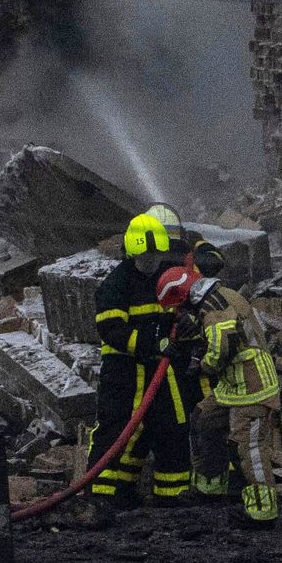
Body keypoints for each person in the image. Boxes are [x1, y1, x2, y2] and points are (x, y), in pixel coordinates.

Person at [88, 207, 196, 525]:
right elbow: (112, 331)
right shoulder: (115, 285)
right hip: (123, 373)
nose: (152, 261)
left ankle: (171, 495)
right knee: (118, 428)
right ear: (131, 251)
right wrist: (152, 345)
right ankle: (104, 495)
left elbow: (175, 309)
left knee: (172, 428)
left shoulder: (161, 277)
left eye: (155, 254)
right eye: (145, 254)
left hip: (161, 369)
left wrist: (183, 324)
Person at [185, 260, 282, 524]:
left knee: (248, 446)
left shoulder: (215, 309)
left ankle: (262, 511)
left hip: (253, 386)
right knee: (203, 419)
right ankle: (211, 488)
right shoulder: (219, 296)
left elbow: (220, 351)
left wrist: (201, 365)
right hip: (233, 384)